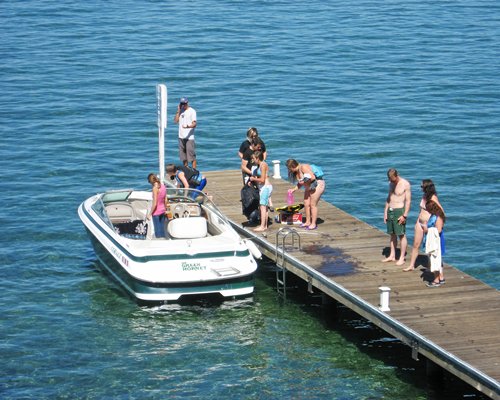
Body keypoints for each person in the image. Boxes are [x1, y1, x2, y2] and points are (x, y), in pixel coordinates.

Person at [403, 179, 443, 272]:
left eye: (422, 187)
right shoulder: (424, 196)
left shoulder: (433, 198)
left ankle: (431, 267)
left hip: (428, 225)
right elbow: (421, 210)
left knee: (430, 246)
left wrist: (439, 225)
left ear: (427, 187)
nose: (420, 188)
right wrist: (417, 222)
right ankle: (411, 265)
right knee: (416, 244)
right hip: (420, 223)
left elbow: (440, 212)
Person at [286, 159, 325, 230]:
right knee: (306, 204)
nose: (289, 171)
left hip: (317, 184)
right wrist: (294, 189)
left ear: (292, 166)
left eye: (289, 169)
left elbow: (312, 177)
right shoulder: (297, 172)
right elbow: (300, 182)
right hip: (308, 186)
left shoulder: (303, 167)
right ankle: (307, 222)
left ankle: (313, 224)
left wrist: (303, 181)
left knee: (313, 205)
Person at [382, 168, 411, 266]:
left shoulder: (405, 184)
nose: (391, 181)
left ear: (397, 175)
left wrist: (405, 215)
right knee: (392, 234)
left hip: (399, 211)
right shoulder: (391, 184)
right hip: (390, 210)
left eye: (393, 179)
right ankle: (392, 255)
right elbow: (388, 198)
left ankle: (402, 258)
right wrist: (385, 211)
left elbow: (408, 201)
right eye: (390, 179)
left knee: (401, 235)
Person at [423, 200, 446, 287]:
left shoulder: (438, 217)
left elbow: (438, 230)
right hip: (433, 239)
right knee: (437, 260)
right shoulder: (433, 215)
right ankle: (440, 277)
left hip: (436, 241)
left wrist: (427, 229)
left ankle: (436, 280)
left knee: (435, 259)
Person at [248, 151, 273, 232]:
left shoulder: (263, 165)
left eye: (254, 159)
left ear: (257, 158)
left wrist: (253, 179)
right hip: (263, 188)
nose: (253, 160)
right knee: (264, 207)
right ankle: (264, 225)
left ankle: (262, 226)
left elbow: (262, 180)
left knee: (262, 207)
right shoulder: (260, 165)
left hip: (265, 187)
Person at [174, 97, 197, 169]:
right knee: (183, 157)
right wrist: (178, 111)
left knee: (191, 156)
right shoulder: (180, 111)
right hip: (181, 137)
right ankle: (186, 170)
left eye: (184, 104)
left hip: (189, 138)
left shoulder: (192, 111)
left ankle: (194, 171)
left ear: (187, 103)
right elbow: (175, 121)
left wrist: (188, 127)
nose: (183, 105)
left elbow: (194, 124)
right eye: (181, 104)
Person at [147, 173, 169, 238]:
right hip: (163, 211)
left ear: (151, 181)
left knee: (157, 231)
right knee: (162, 229)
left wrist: (150, 214)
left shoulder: (155, 188)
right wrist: (165, 208)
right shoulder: (163, 186)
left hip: (156, 212)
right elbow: (165, 199)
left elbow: (155, 203)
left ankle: (159, 243)